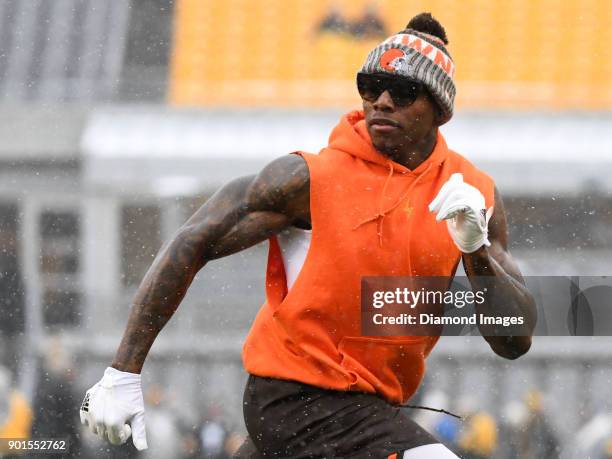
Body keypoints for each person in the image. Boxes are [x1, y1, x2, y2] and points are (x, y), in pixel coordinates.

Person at [80, 13, 536, 458]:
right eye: (370, 87)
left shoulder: (474, 195)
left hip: (370, 405)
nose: (381, 101)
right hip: (292, 397)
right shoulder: (309, 177)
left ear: (440, 107)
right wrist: (124, 371)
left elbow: (513, 341)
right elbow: (191, 239)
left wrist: (474, 249)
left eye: (402, 90)